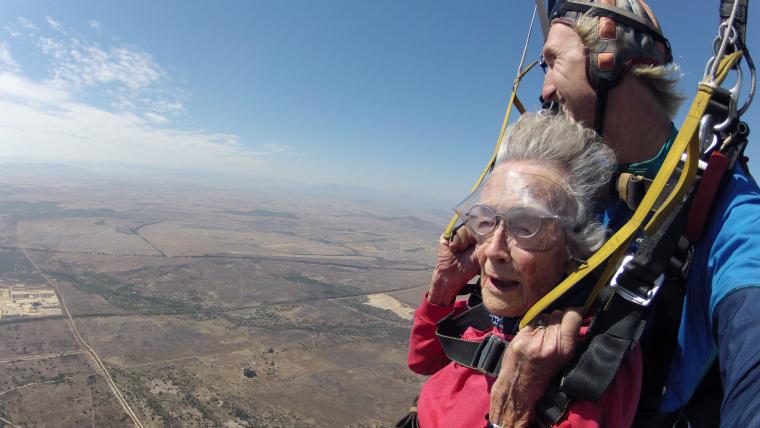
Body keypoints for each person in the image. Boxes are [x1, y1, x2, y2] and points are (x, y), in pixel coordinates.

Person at [497, 1, 760, 426]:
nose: (543, 92)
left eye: (551, 63)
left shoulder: (731, 217)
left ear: (609, 62)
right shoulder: (589, 192)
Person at [405, 112, 640, 427]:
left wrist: (511, 412)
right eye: (487, 221)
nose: (493, 250)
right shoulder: (495, 309)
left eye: (526, 226)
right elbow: (422, 361)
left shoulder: (591, 365)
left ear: (575, 247)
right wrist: (443, 290)